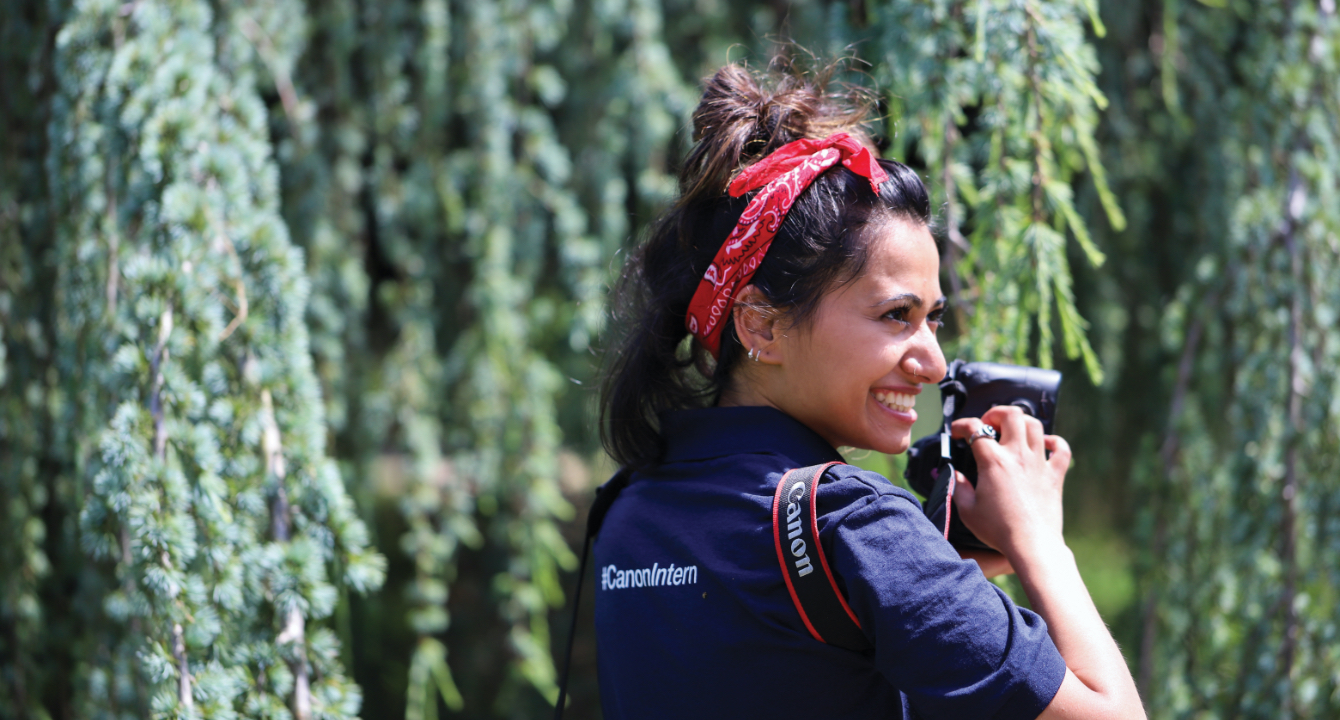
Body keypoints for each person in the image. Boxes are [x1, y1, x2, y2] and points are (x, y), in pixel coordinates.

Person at [594, 61, 1145, 720]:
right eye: (895, 316)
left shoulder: (630, 508)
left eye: (933, 319)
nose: (935, 363)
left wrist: (936, 565)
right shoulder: (850, 524)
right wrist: (1038, 540)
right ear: (760, 326)